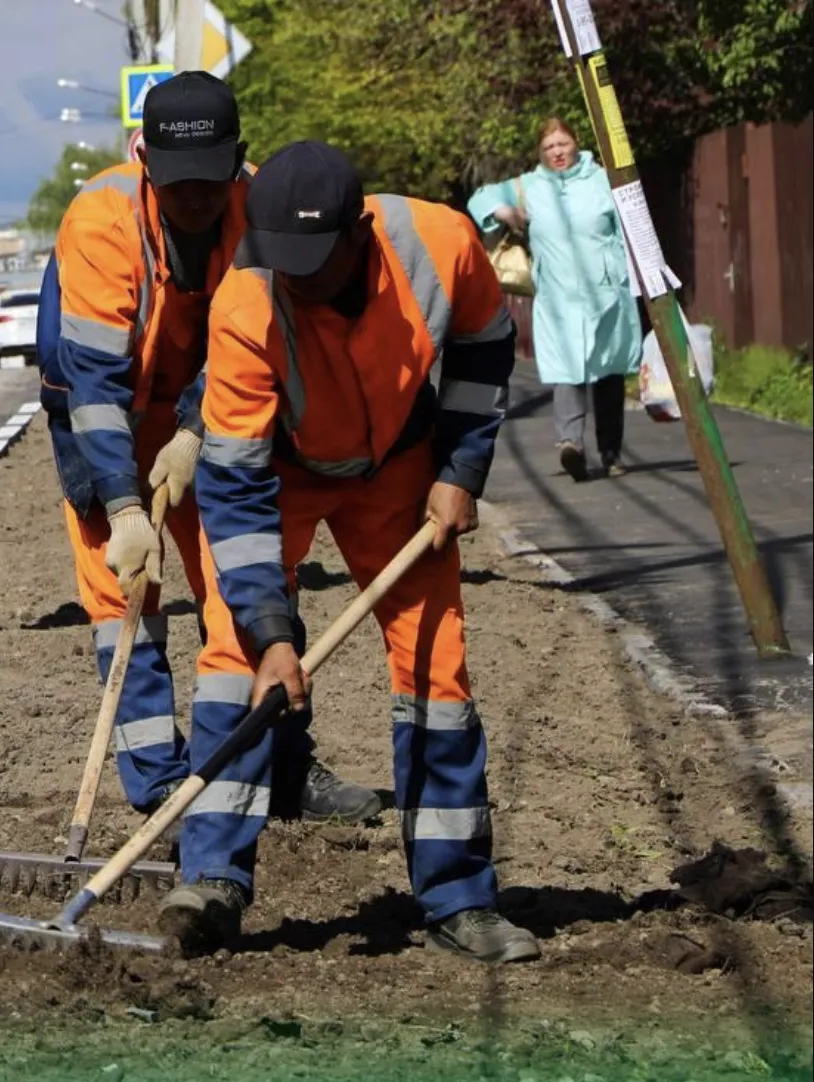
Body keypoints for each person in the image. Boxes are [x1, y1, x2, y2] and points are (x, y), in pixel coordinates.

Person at [163, 140, 540, 965]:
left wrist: (460, 469)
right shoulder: (245, 304)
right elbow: (235, 486)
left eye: (313, 262)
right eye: (280, 262)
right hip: (285, 471)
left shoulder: (440, 246)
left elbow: (482, 349)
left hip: (399, 471)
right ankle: (213, 879)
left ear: (357, 231)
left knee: (437, 666)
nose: (293, 279)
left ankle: (459, 900)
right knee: (235, 660)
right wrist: (273, 633)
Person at [37, 74, 381, 831]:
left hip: (219, 408)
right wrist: (125, 504)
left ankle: (283, 766)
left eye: (209, 182)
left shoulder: (268, 212)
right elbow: (91, 379)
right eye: (176, 184)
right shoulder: (100, 219)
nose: (194, 199)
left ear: (238, 160)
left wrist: (196, 429)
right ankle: (160, 786)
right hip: (104, 413)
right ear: (144, 160)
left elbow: (253, 339)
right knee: (123, 599)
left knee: (250, 581)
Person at [468, 117, 641, 481]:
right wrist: (505, 212)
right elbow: (479, 198)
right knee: (568, 370)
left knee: (608, 373)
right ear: (540, 153)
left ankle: (610, 453)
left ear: (576, 143)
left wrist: (636, 281)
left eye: (562, 144)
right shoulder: (530, 185)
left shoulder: (601, 180)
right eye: (549, 148)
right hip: (558, 296)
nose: (557, 152)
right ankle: (570, 445)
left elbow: (630, 229)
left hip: (606, 292)